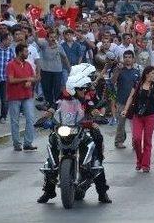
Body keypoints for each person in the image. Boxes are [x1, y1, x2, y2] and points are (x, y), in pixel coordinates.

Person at [37, 67, 111, 204]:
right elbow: (54, 106)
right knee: (52, 142)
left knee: (96, 156)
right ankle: (48, 191)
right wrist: (46, 116)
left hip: (83, 127)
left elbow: (92, 108)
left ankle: (102, 192)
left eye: (84, 88)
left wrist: (97, 117)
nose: (84, 90)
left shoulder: (87, 95)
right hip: (64, 127)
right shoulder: (63, 95)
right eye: (81, 88)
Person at [122, 66, 154, 172]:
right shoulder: (137, 84)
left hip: (150, 117)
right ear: (147, 74)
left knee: (147, 141)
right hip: (137, 116)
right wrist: (125, 110)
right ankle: (139, 160)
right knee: (136, 139)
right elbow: (130, 97)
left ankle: (146, 165)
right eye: (153, 73)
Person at [6, 43, 37, 152]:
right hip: (14, 96)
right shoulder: (11, 64)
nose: (27, 53)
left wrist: (29, 80)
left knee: (30, 118)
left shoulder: (28, 65)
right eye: (25, 51)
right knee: (15, 120)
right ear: (19, 52)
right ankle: (16, 143)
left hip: (27, 95)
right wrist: (26, 79)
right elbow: (11, 80)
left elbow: (33, 77)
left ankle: (28, 142)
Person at [112, 50, 140, 149]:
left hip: (134, 102)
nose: (127, 59)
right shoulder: (120, 70)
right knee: (121, 124)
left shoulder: (137, 72)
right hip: (122, 101)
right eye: (125, 57)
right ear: (123, 59)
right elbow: (113, 81)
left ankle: (135, 142)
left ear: (133, 59)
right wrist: (117, 71)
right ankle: (119, 141)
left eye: (129, 57)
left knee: (135, 124)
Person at [37, 31, 71, 106]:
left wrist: (69, 69)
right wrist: (33, 29)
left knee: (57, 89)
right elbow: (36, 40)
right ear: (47, 38)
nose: (53, 39)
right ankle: (49, 103)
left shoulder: (59, 46)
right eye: (51, 37)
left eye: (54, 37)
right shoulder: (44, 45)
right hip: (45, 71)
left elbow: (65, 58)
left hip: (57, 71)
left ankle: (56, 104)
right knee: (46, 88)